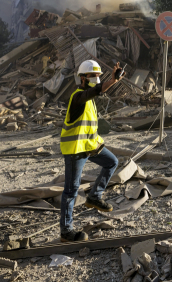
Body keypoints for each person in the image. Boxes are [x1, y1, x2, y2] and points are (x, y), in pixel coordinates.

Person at [59, 60, 123, 242]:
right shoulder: (78, 98)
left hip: (89, 147)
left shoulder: (90, 101)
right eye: (92, 76)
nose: (95, 78)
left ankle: (94, 196)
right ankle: (66, 231)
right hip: (75, 150)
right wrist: (110, 82)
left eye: (98, 76)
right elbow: (95, 91)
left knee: (112, 162)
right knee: (71, 191)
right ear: (82, 78)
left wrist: (112, 81)